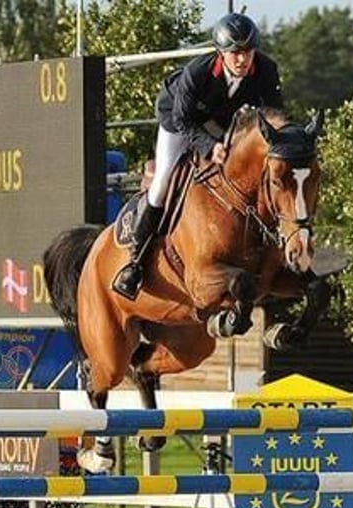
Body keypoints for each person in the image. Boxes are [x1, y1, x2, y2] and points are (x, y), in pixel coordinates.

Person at [112, 12, 284, 300]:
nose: (242, 60)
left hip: (223, 120)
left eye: (248, 52)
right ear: (221, 53)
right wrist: (208, 146)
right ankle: (135, 262)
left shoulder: (266, 70)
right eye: (235, 53)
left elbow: (274, 115)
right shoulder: (198, 72)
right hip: (180, 120)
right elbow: (183, 120)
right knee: (163, 182)